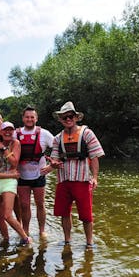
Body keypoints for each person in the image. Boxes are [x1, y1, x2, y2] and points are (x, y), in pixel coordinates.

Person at [49, 101, 105, 248]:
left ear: (76, 117)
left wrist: (95, 177)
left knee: (86, 215)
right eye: (65, 117)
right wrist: (53, 164)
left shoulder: (87, 134)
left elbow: (94, 157)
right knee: (63, 213)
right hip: (63, 180)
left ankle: (89, 243)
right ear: (60, 119)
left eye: (71, 116)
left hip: (82, 180)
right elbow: (54, 159)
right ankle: (67, 241)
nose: (68, 119)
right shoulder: (57, 139)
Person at [0, 121, 32, 245]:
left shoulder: (15, 143)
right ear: (0, 131)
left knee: (7, 215)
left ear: (13, 131)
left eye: (10, 130)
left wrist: (3, 148)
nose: (8, 132)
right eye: (5, 130)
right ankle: (6, 240)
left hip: (9, 180)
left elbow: (14, 163)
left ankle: (25, 238)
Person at [16, 106, 55, 239]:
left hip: (39, 175)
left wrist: (51, 166)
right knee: (24, 205)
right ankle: (25, 231)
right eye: (27, 117)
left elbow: (59, 148)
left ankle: (41, 230)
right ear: (23, 118)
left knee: (40, 204)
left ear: (36, 118)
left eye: (32, 117)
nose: (29, 119)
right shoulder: (16, 134)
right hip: (21, 176)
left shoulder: (45, 134)